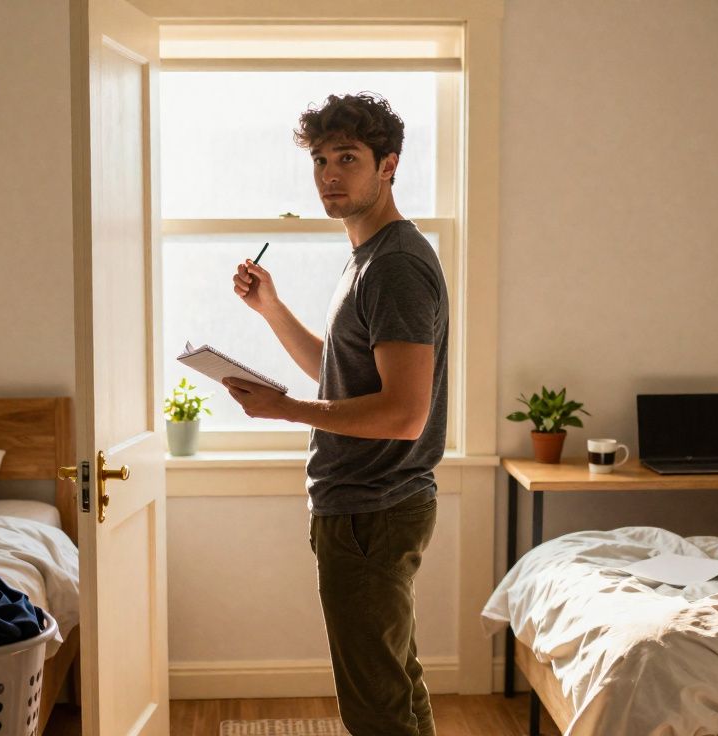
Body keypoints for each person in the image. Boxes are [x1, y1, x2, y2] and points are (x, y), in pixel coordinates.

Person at [223, 92, 448, 736]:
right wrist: (270, 309)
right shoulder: (369, 259)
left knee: (376, 704)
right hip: (367, 504)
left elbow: (404, 413)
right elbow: (341, 371)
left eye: (347, 158)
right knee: (395, 682)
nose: (328, 174)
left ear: (388, 166)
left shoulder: (396, 266)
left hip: (372, 506)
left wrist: (284, 410)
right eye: (320, 159)